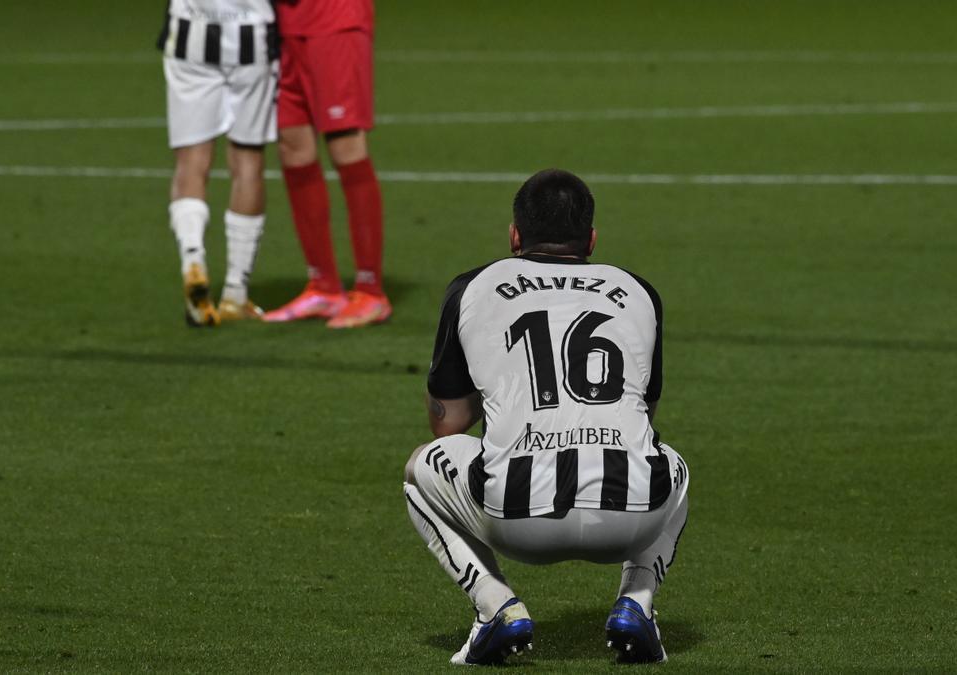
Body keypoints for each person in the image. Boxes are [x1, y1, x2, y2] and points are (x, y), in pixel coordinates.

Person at [403, 169, 690, 665]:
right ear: (592, 240)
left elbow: (448, 425)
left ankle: (496, 606)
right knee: (674, 466)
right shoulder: (637, 290)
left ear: (515, 235)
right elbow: (643, 410)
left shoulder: (473, 286)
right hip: (632, 514)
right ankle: (637, 601)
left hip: (516, 519)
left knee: (420, 468)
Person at [262, 0, 390, 329]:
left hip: (334, 20)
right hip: (284, 23)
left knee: (345, 146)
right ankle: (323, 286)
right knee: (293, 148)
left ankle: (370, 291)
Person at [158, 0, 277, 326]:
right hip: (250, 35)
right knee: (247, 161)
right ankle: (235, 293)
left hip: (190, 33)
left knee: (191, 161)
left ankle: (193, 258)